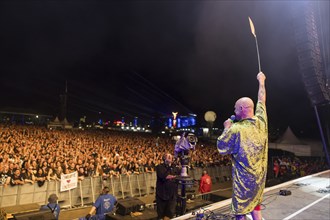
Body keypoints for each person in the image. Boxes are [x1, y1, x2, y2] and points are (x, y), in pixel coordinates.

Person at [217, 72, 267, 220]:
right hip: (259, 179)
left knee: (240, 213)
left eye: (235, 108)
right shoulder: (261, 122)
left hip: (243, 181)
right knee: (256, 208)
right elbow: (261, 99)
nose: (234, 111)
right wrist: (261, 81)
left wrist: (226, 127)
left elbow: (221, 147)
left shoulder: (235, 129)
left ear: (242, 108)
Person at [156, 153, 180, 220]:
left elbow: (180, 175)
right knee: (161, 215)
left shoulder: (175, 167)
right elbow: (164, 176)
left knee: (169, 215)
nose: (170, 157)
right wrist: (169, 167)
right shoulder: (159, 167)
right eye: (168, 156)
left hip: (172, 195)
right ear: (164, 158)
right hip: (162, 195)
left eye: (171, 157)